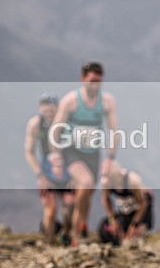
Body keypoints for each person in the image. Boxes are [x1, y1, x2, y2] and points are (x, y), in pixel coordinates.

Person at [49, 62, 119, 247]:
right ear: (83, 79)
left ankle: (78, 225)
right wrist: (55, 158)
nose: (95, 85)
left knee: (87, 193)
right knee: (85, 182)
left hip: (93, 152)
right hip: (72, 151)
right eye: (91, 80)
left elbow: (114, 130)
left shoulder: (106, 101)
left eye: (98, 81)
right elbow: (56, 130)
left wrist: (110, 158)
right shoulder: (71, 100)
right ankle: (74, 234)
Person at [23, 93, 75, 245]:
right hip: (47, 171)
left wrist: (75, 175)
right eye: (46, 107)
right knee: (50, 210)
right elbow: (29, 151)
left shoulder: (67, 124)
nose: (49, 111)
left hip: (66, 172)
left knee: (70, 206)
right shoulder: (35, 124)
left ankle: (66, 235)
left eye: (52, 108)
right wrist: (40, 175)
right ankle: (49, 242)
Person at [99, 160, 154, 246]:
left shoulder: (132, 181)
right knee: (107, 232)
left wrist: (134, 225)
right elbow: (106, 200)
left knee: (133, 238)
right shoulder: (106, 182)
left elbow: (143, 203)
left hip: (141, 209)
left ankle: (141, 230)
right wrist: (112, 220)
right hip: (125, 209)